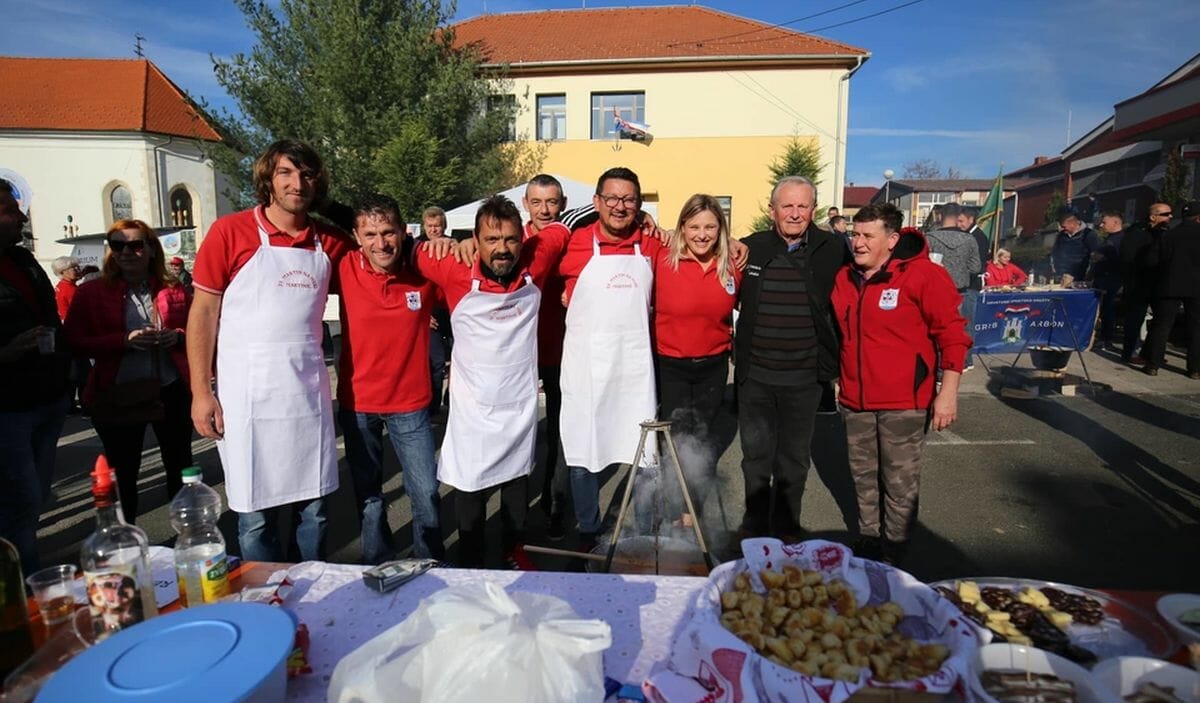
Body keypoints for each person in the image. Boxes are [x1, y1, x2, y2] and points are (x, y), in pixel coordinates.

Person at [187, 139, 354, 562]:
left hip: (306, 394)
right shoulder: (230, 232)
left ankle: (311, 581)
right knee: (255, 517)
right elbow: (203, 313)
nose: (297, 183)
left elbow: (378, 242)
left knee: (314, 511)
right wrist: (201, 392)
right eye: (285, 173)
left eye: (307, 175)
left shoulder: (328, 242)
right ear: (267, 179)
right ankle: (260, 589)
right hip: (247, 396)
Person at [414, 195, 562, 569]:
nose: (502, 249)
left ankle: (514, 552)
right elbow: (405, 250)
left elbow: (562, 229)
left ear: (522, 239)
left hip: (518, 405)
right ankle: (470, 562)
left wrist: (644, 221)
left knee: (516, 485)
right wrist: (443, 242)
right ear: (476, 240)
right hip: (472, 410)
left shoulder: (537, 258)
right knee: (470, 490)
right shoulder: (453, 266)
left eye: (510, 239)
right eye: (491, 240)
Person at [832, 204, 970, 565]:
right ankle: (868, 544)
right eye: (854, 234)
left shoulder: (923, 275)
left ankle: (895, 556)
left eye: (868, 236)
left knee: (899, 484)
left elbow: (953, 335)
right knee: (863, 480)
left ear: (892, 239)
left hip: (903, 403)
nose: (858, 243)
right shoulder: (845, 278)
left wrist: (947, 393)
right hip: (856, 401)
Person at [734, 175, 849, 541]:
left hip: (804, 377)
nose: (795, 214)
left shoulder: (834, 248)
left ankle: (786, 528)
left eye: (803, 206)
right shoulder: (750, 247)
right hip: (755, 376)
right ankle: (754, 526)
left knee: (794, 460)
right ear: (773, 210)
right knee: (755, 457)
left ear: (813, 210)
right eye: (787, 206)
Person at [557, 167, 664, 549]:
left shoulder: (651, 245)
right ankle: (588, 529)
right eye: (612, 198)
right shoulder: (573, 243)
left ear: (638, 204)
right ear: (597, 202)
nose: (620, 207)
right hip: (586, 370)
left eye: (629, 200)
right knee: (583, 452)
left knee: (645, 452)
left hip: (634, 371)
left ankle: (642, 533)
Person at [334, 194, 443, 563]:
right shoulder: (344, 267)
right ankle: (379, 565)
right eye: (370, 234)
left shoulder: (424, 274)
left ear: (403, 231)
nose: (380, 243)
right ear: (356, 237)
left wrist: (454, 245)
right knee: (369, 498)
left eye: (388, 232)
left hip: (410, 404)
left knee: (426, 492)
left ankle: (429, 563)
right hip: (358, 404)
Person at [65, 220, 194, 523]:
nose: (125, 252)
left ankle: (187, 534)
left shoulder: (173, 288)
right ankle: (125, 539)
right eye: (117, 245)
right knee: (123, 473)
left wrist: (177, 336)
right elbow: (71, 342)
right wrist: (123, 341)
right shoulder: (91, 292)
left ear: (151, 249)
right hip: (118, 391)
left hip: (170, 388)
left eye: (135, 245)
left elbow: (198, 330)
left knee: (180, 466)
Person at [653, 194, 740, 527]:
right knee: (673, 441)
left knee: (701, 439)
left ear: (721, 229)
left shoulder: (733, 264)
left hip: (713, 365)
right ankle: (671, 509)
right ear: (682, 228)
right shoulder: (662, 259)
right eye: (694, 227)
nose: (702, 235)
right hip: (670, 364)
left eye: (710, 227)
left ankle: (691, 511)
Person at [0, 179, 70, 576]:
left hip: (48, 396)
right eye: (10, 211)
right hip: (8, 407)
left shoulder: (23, 260)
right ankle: (23, 591)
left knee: (35, 497)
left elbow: (49, 316)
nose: (22, 217)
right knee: (20, 500)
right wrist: (5, 352)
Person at [522, 174, 571, 539]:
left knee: (559, 434)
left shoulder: (572, 238)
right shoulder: (511, 239)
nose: (544, 210)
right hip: (520, 354)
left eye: (551, 202)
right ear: (526, 204)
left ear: (563, 204)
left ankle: (554, 505)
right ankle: (515, 510)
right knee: (518, 435)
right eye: (537, 202)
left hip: (562, 351)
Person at [1143, 201, 1200, 379]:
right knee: (1196, 327)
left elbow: (1152, 261)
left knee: (1162, 325)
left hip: (1169, 285)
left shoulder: (1168, 235)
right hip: (1196, 287)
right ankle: (1195, 369)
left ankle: (1153, 364)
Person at [926, 203, 980, 369]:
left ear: (940, 216)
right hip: (960, 292)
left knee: (934, 330)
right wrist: (960, 269)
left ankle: (937, 366)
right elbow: (975, 267)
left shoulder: (929, 238)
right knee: (957, 332)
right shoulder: (969, 239)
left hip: (935, 291)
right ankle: (957, 364)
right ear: (958, 218)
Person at [1120, 203, 1173, 364]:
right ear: (1153, 216)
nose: (1170, 217)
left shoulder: (1164, 233)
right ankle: (1130, 352)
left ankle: (1150, 353)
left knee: (1159, 321)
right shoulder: (1137, 233)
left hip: (1157, 283)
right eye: (1166, 214)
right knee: (1134, 320)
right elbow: (1129, 258)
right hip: (1138, 283)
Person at [419, 206, 452, 416]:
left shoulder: (453, 246)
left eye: (437, 226)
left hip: (453, 309)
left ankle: (452, 398)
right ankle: (433, 407)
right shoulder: (416, 248)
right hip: (430, 312)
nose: (433, 230)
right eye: (430, 226)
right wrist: (423, 313)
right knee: (436, 362)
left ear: (444, 226)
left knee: (460, 360)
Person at [1090, 211, 1125, 351]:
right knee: (1103, 309)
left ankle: (1106, 339)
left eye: (1104, 222)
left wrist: (1104, 258)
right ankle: (1100, 336)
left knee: (1109, 309)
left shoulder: (1122, 239)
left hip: (1113, 280)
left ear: (1115, 222)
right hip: (1101, 279)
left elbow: (1122, 260)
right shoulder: (1108, 239)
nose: (1101, 225)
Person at [1050, 209, 1099, 284]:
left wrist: (1088, 275)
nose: (1061, 229)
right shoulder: (1061, 235)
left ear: (1073, 224)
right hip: (1061, 276)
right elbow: (1055, 251)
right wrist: (1054, 267)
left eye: (1064, 226)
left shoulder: (1088, 234)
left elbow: (1095, 256)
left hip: (1079, 277)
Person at [52, 256, 82, 320]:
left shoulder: (61, 285)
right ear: (62, 272)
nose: (78, 270)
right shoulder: (70, 289)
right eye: (73, 268)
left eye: (78, 267)